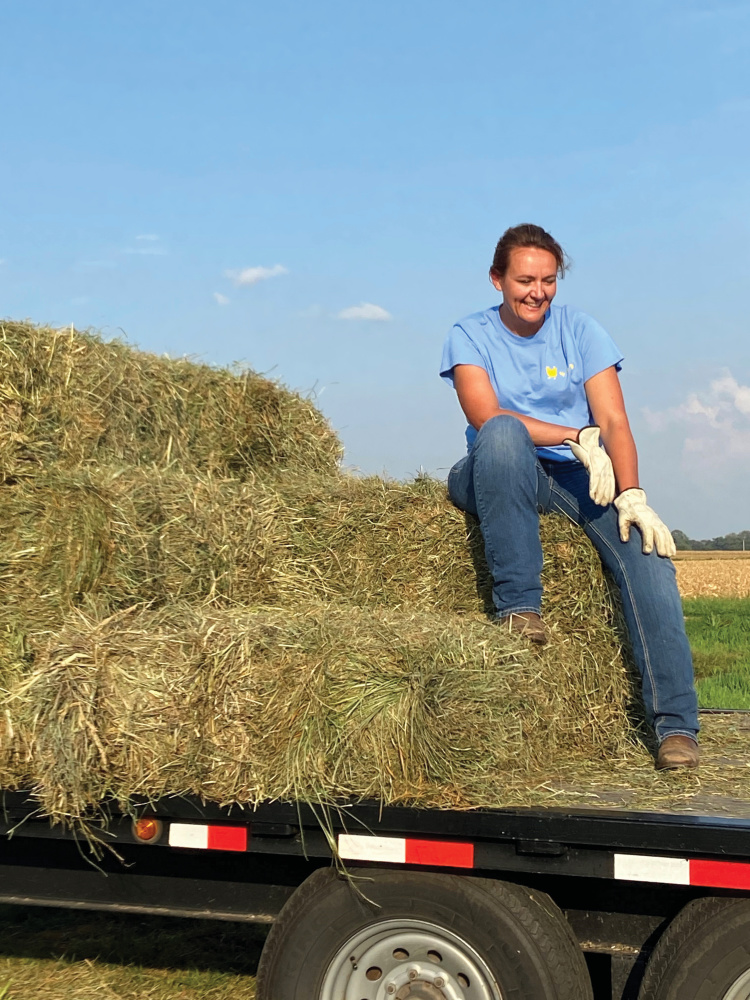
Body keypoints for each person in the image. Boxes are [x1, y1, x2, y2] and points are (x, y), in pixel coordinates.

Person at [440, 223, 699, 770]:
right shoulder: (469, 334)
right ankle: (519, 608)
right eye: (525, 280)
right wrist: (571, 435)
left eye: (549, 280)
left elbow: (612, 419)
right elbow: (487, 417)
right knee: (505, 436)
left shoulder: (581, 331)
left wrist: (631, 494)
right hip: (495, 471)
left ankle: (676, 727)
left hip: (578, 475)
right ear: (497, 280)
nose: (537, 292)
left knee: (649, 559)